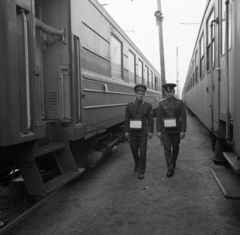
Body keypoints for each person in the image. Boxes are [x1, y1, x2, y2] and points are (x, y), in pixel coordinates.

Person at [157, 83, 187, 177]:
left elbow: (183, 117)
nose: (169, 93)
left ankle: (173, 161)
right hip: (165, 130)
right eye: (167, 92)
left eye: (171, 91)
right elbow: (158, 118)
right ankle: (170, 168)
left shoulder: (179, 103)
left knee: (176, 147)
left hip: (176, 130)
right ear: (165, 92)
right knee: (167, 149)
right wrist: (158, 131)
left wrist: (183, 130)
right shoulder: (161, 103)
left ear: (173, 92)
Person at [124, 84, 153, 180]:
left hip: (143, 133)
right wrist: (126, 131)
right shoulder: (129, 105)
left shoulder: (148, 106)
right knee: (134, 150)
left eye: (142, 94)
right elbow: (127, 119)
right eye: (139, 94)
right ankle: (137, 164)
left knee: (143, 152)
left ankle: (141, 171)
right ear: (135, 94)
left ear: (144, 95)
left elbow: (150, 119)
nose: (140, 95)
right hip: (133, 133)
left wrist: (151, 131)